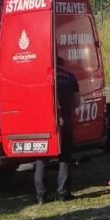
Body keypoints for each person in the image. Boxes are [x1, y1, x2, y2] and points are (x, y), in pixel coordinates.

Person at [35, 57, 80, 203]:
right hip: (64, 121)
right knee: (65, 157)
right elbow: (77, 100)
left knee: (42, 159)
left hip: (43, 122)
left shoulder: (41, 77)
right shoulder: (70, 77)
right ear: (62, 64)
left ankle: (41, 195)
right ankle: (63, 193)